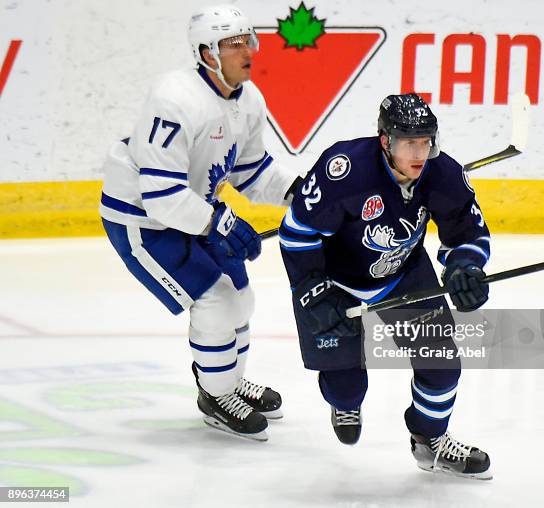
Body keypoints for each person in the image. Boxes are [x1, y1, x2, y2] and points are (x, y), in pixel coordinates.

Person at [99, 5, 302, 442]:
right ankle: (215, 398)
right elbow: (160, 196)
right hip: (141, 219)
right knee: (216, 302)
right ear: (208, 53)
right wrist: (221, 223)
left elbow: (252, 171)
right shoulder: (175, 98)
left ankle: (226, 383)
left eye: (248, 40)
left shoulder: (248, 99)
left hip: (194, 213)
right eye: (234, 43)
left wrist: (301, 191)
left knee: (241, 296)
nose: (246, 50)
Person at [279, 93, 493, 479]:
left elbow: (467, 233)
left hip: (402, 275)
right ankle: (344, 400)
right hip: (334, 281)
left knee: (441, 364)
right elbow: (297, 233)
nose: (419, 152)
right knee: (345, 388)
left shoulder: (443, 174)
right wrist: (312, 289)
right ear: (385, 140)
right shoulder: (343, 170)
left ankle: (431, 441)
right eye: (409, 142)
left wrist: (465, 267)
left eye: (425, 141)